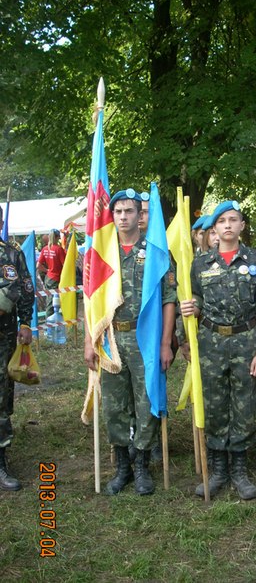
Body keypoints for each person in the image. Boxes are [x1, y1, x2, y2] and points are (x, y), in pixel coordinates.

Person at [84, 189, 176, 496]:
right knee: (114, 405)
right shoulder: (103, 253)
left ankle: (142, 466)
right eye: (118, 211)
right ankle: (123, 465)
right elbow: (91, 301)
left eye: (130, 211)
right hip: (111, 338)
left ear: (140, 215)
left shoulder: (155, 251)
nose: (123, 217)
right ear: (112, 215)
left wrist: (166, 343)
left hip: (144, 338)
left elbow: (169, 300)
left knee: (146, 400)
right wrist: (89, 341)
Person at [180, 200, 256, 500]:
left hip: (246, 340)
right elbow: (195, 300)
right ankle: (219, 468)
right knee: (215, 404)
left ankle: (240, 470)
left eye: (233, 220)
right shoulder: (201, 263)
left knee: (244, 404)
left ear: (242, 226)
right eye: (222, 221)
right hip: (211, 342)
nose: (228, 225)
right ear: (215, 228)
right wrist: (191, 310)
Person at [0, 205, 34, 491]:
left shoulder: (11, 254)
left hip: (3, 336)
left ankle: (0, 461)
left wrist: (25, 322)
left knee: (1, 397)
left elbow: (22, 289)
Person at [37, 229, 66, 317]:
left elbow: (38, 265)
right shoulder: (59, 249)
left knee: (50, 300)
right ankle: (49, 322)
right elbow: (65, 265)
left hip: (48, 278)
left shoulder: (45, 249)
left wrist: (47, 270)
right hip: (56, 278)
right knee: (52, 303)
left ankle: (50, 320)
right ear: (57, 237)